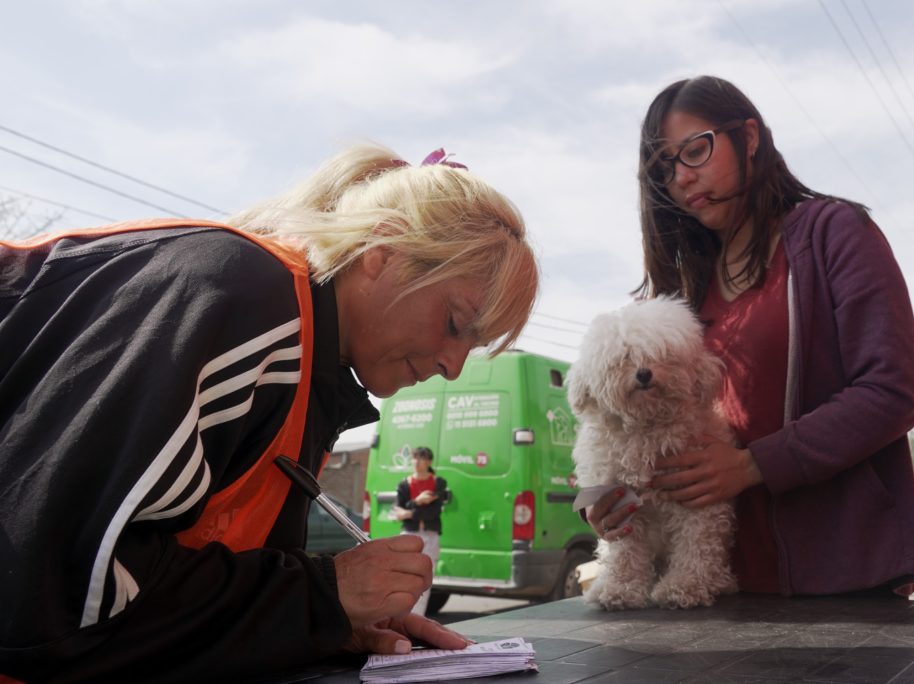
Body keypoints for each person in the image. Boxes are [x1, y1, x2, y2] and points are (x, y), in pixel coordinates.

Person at [0, 143, 538, 682]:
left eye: (477, 344)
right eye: (454, 322)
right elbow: (53, 600)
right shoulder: (250, 298)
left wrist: (325, 623)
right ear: (384, 249)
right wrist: (320, 595)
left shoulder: (312, 365)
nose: (454, 366)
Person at [585, 75, 914, 598]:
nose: (680, 177)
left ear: (748, 138)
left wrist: (752, 465)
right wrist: (609, 500)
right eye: (664, 167)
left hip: (837, 569)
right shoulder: (683, 291)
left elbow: (891, 391)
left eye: (695, 151)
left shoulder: (833, 234)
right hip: (717, 583)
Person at [395, 446, 447, 615]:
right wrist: (417, 501)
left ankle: (417, 617)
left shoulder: (438, 483)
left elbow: (434, 512)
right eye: (415, 458)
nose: (416, 462)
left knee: (425, 579)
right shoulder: (404, 484)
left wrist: (409, 512)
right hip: (409, 534)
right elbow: (397, 511)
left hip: (430, 536)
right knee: (406, 576)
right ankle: (403, 615)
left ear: (429, 462)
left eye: (421, 459)